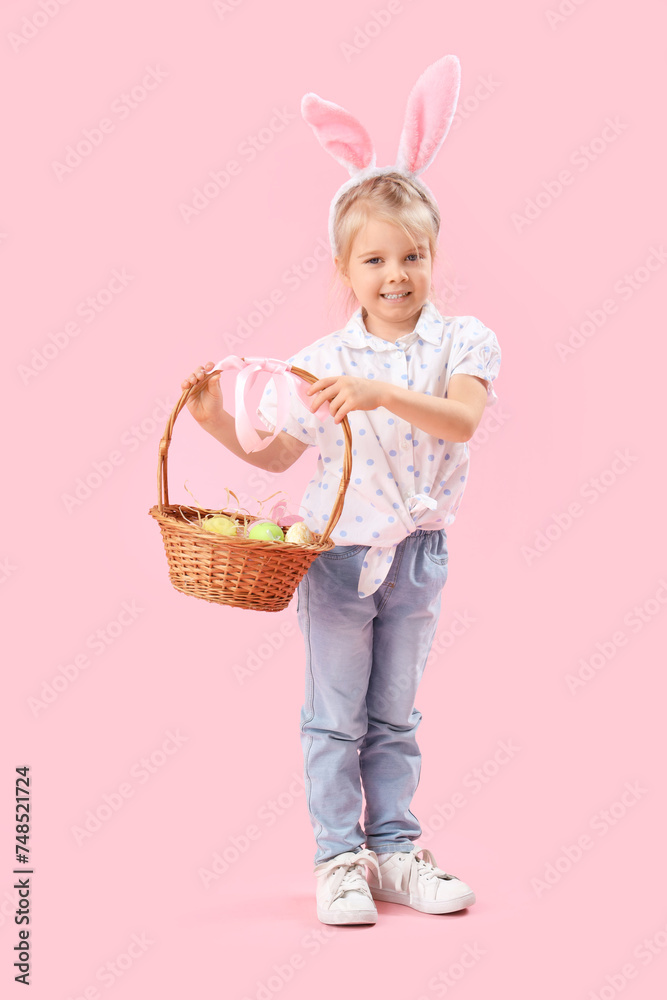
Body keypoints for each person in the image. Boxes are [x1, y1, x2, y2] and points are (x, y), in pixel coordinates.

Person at [181, 55, 502, 926]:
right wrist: (215, 421)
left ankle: (395, 849)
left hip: (416, 556)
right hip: (336, 560)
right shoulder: (319, 362)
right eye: (375, 259)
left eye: (412, 255)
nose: (395, 273)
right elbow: (284, 454)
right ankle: (338, 859)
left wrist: (382, 392)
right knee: (335, 718)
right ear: (344, 265)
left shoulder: (463, 341)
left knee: (394, 716)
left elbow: (460, 421)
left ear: (434, 256)